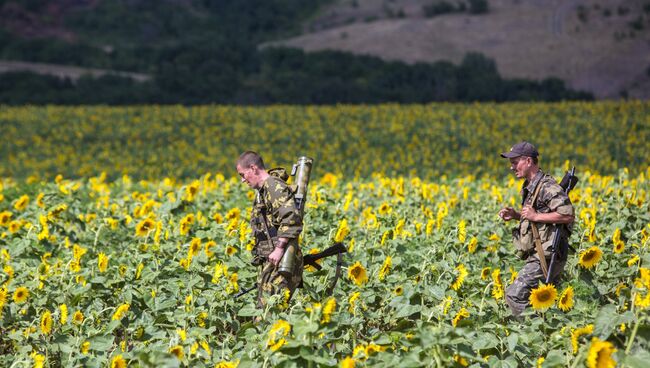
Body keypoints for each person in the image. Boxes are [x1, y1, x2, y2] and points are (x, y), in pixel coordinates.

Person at [497, 141, 574, 316]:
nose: (511, 167)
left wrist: (535, 216)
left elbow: (567, 215)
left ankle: (531, 331)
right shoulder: (532, 186)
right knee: (548, 306)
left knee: (514, 296)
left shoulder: (546, 186)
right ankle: (548, 332)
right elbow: (541, 215)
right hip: (541, 253)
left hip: (547, 255)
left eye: (515, 162)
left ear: (529, 161)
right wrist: (517, 215)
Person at [236, 151, 303, 308]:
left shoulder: (273, 186)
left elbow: (291, 218)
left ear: (253, 168)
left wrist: (279, 248)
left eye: (242, 174)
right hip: (273, 261)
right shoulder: (263, 190)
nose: (242, 180)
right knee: (266, 313)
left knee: (269, 314)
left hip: (282, 259)